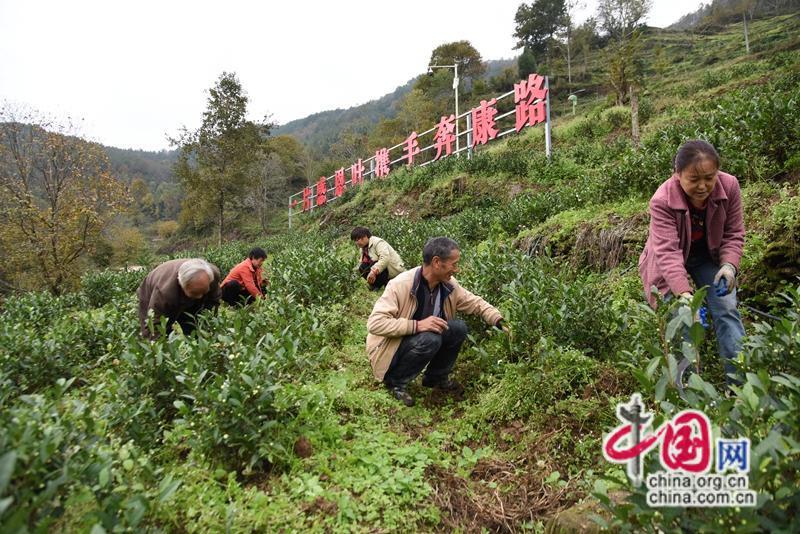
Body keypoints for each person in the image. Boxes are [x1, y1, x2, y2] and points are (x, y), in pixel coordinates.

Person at [638, 140, 745, 384]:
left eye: (709, 177)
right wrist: (686, 297)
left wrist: (729, 266)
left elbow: (733, 232)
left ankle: (739, 386)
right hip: (668, 262)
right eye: (693, 179)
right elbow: (667, 253)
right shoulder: (661, 200)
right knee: (681, 319)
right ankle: (689, 387)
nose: (703, 186)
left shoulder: (730, 186)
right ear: (677, 174)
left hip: (708, 256)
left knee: (726, 309)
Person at [366, 237, 506, 406]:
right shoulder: (400, 285)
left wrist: (499, 320)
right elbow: (375, 323)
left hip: (420, 341)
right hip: (390, 349)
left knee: (457, 328)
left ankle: (435, 378)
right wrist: (417, 325)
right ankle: (395, 382)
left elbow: (475, 303)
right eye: (454, 264)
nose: (457, 269)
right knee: (431, 338)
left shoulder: (448, 285)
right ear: (437, 262)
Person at [137, 258, 222, 339]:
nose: (199, 296)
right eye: (194, 293)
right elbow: (154, 324)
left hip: (183, 291)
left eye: (203, 292)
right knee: (158, 332)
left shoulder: (212, 275)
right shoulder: (164, 292)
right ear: (181, 285)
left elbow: (214, 299)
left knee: (195, 326)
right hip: (150, 290)